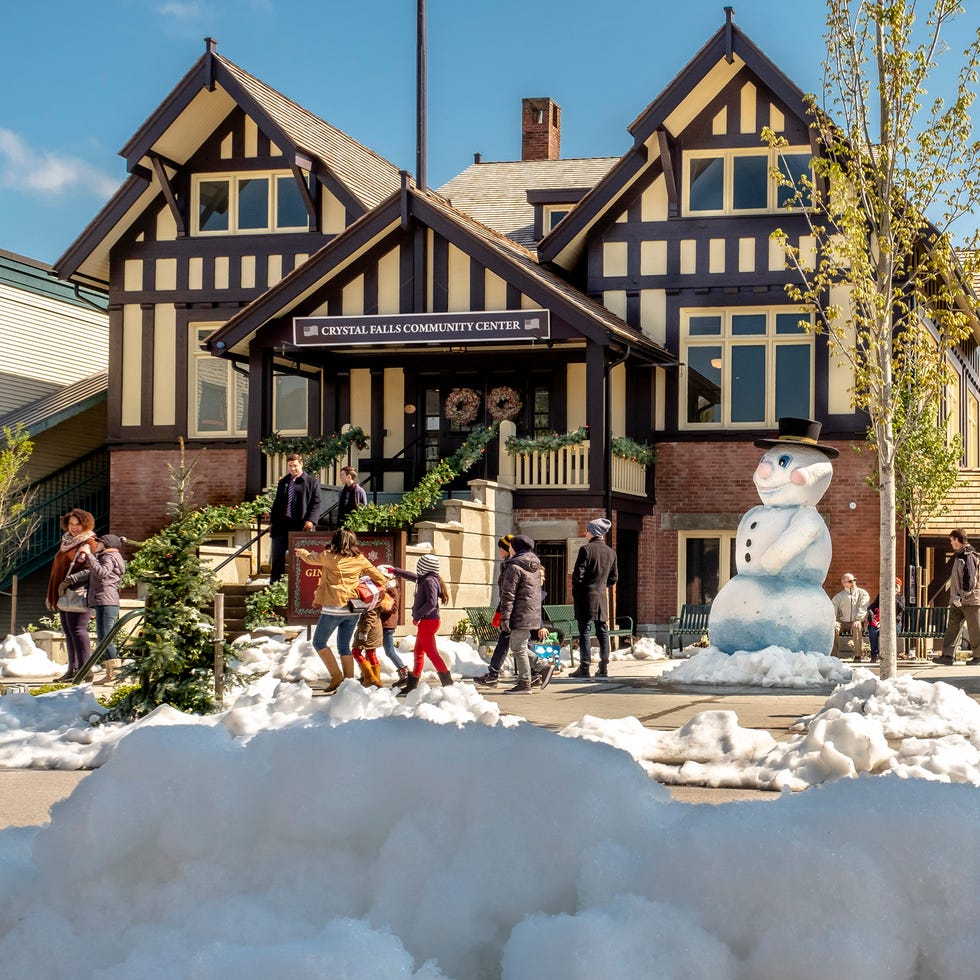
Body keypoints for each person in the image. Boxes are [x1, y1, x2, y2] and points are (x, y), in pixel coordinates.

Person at [295, 528, 387, 692]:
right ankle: (349, 683)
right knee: (344, 646)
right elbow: (379, 577)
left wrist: (302, 552)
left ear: (336, 541)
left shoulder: (328, 557)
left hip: (333, 608)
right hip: (353, 608)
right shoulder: (360, 559)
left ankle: (337, 676)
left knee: (319, 642)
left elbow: (310, 558)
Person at [386, 554, 454, 695]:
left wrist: (418, 616)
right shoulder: (426, 578)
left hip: (428, 621)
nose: (418, 568)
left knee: (431, 653)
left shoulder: (429, 581)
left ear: (425, 566)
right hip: (428, 621)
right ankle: (412, 685)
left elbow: (431, 602)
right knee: (418, 652)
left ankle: (449, 685)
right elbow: (411, 576)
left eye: (420, 564)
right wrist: (394, 570)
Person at [47, 508, 97, 682]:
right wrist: (54, 591)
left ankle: (86, 670)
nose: (74, 527)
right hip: (64, 594)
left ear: (85, 525)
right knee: (69, 632)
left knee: (78, 630)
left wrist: (69, 581)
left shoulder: (89, 542)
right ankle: (72, 669)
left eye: (78, 524)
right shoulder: (67, 542)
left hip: (80, 593)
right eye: (71, 523)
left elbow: (92, 570)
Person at [71, 534, 127, 683]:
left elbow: (102, 572)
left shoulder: (108, 557)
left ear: (106, 544)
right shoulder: (109, 556)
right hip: (105, 600)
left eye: (100, 543)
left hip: (107, 600)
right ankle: (112, 674)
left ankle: (115, 674)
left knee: (105, 638)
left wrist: (89, 555)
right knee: (104, 638)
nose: (97, 545)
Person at [570, 517, 618, 679]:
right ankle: (603, 666)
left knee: (584, 631)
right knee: (602, 631)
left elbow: (578, 576)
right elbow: (613, 578)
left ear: (594, 532)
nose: (585, 533)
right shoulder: (611, 552)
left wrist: (578, 591)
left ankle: (584, 666)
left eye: (588, 530)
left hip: (586, 596)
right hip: (601, 597)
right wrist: (601, 586)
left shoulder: (586, 550)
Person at [497, 534, 545, 694]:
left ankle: (525, 682)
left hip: (519, 613)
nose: (508, 548)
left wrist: (506, 617)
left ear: (515, 548)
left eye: (511, 546)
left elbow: (508, 594)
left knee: (518, 647)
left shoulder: (514, 566)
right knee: (519, 645)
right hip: (531, 613)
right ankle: (541, 666)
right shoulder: (535, 567)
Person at [268, 454, 321, 584]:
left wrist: (311, 520)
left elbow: (317, 503)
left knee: (300, 556)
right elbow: (277, 503)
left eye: (295, 466)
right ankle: (275, 584)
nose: (293, 469)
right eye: (290, 466)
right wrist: (272, 521)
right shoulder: (284, 482)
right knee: (277, 555)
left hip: (300, 525)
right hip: (281, 525)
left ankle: (298, 585)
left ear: (301, 464)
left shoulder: (312, 482)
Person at [933, 528, 980, 666]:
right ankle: (948, 656)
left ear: (959, 540)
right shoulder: (959, 555)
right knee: (952, 627)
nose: (951, 543)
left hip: (970, 600)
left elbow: (970, 580)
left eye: (952, 540)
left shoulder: (969, 555)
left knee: (975, 629)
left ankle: (978, 657)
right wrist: (956, 598)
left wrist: (961, 595)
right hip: (957, 600)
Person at [831, 573, 871, 661]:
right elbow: (833, 611)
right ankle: (834, 656)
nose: (853, 582)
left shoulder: (862, 593)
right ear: (844, 584)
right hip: (843, 622)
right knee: (833, 627)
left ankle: (858, 656)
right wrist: (833, 620)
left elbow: (863, 607)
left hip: (857, 621)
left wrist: (858, 620)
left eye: (854, 580)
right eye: (850, 581)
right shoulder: (838, 597)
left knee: (857, 626)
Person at [378, 575, 409, 683]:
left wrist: (378, 605)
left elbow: (393, 608)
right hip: (384, 623)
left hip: (387, 624)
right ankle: (367, 674)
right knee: (373, 649)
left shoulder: (392, 590)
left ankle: (403, 672)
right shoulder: (388, 589)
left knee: (389, 651)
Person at [867, 578, 905, 664]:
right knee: (873, 632)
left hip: (894, 624)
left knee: (889, 632)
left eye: (896, 586)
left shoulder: (900, 597)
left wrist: (892, 596)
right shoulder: (881, 595)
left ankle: (889, 656)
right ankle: (874, 655)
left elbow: (901, 608)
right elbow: (871, 607)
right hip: (879, 622)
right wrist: (872, 618)